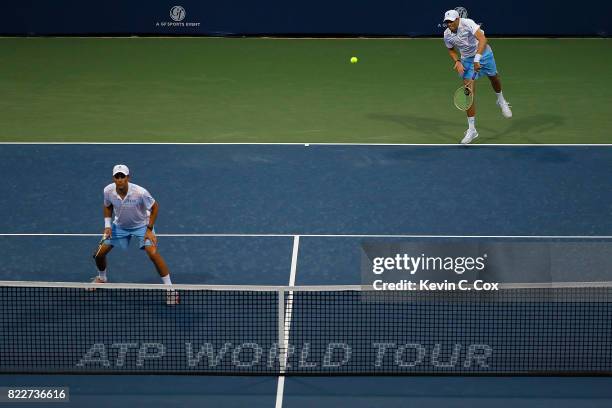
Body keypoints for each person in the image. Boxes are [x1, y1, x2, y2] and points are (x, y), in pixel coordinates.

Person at [92, 164, 178, 305]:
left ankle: (171, 290)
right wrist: (107, 226)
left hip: (142, 226)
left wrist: (149, 229)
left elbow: (155, 207)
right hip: (120, 227)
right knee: (98, 254)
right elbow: (107, 206)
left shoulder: (140, 192)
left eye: (122, 176)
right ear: (113, 178)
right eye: (117, 176)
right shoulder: (108, 191)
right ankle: (102, 277)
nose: (120, 179)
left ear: (128, 178)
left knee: (153, 253)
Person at [442, 9, 512, 144]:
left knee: (494, 78)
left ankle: (501, 100)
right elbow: (450, 49)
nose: (449, 24)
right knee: (468, 94)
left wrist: (477, 59)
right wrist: (457, 61)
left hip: (484, 54)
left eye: (451, 21)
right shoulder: (447, 35)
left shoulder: (467, 23)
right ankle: (472, 129)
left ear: (458, 20)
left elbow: (483, 39)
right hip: (467, 60)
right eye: (447, 22)